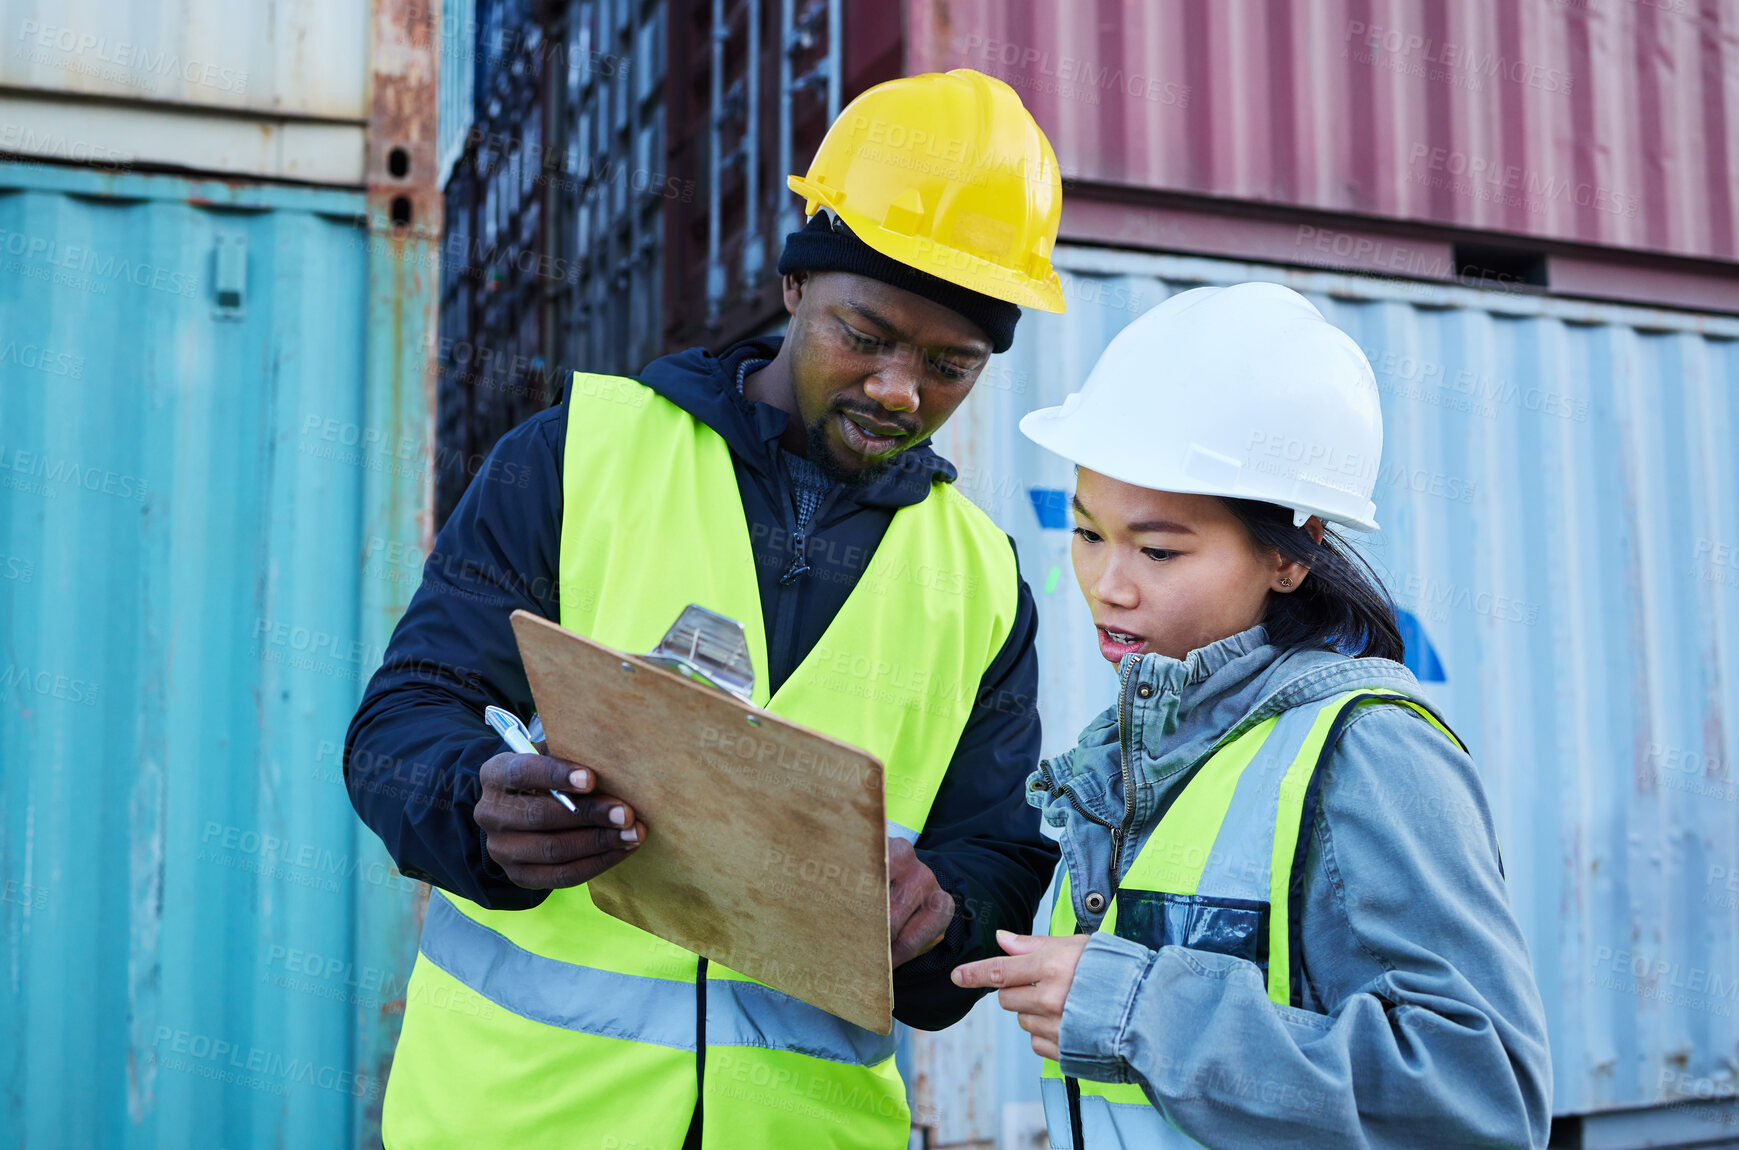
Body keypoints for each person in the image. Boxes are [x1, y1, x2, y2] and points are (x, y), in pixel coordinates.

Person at [345, 69, 1066, 1149]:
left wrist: (940, 916)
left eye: (948, 364)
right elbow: (403, 721)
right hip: (517, 1120)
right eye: (863, 334)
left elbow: (995, 854)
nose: (897, 390)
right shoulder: (574, 456)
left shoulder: (980, 580)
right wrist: (478, 807)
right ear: (792, 287)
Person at [953, 283, 1552, 1148]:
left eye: (1158, 549)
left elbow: (1480, 1091)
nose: (1107, 585)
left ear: (1287, 555)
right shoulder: (1140, 747)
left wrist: (1136, 1010)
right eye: (1087, 534)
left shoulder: (1369, 749)